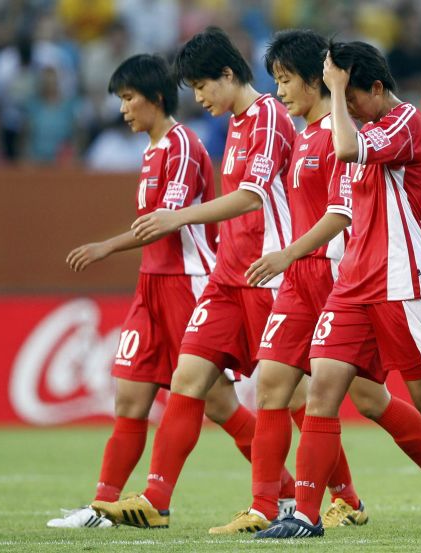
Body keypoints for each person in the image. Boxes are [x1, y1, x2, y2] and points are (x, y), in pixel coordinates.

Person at [210, 29, 421, 536]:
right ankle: (270, 507)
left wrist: (288, 252)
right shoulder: (303, 134)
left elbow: (345, 213)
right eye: (276, 80)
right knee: (273, 386)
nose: (280, 90)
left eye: (287, 79)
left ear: (319, 80)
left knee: (370, 400)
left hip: (339, 274)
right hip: (299, 276)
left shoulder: (345, 132)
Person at [91, 27, 296, 529]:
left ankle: (329, 498)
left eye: (203, 87)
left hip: (268, 274)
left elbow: (251, 197)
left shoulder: (268, 115)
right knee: (188, 379)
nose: (199, 98)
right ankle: (156, 500)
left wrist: (178, 217)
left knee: (297, 396)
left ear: (227, 74)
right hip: (228, 276)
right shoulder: (235, 125)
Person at [47, 53, 254, 528]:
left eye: (128, 98)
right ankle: (102, 506)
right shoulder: (152, 151)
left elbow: (164, 223)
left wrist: (105, 246)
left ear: (155, 98)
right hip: (151, 286)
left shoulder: (182, 146)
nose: (123, 109)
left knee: (220, 404)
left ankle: (280, 492)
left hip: (188, 284)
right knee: (129, 401)